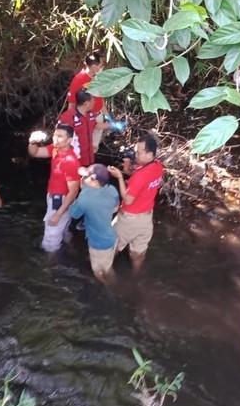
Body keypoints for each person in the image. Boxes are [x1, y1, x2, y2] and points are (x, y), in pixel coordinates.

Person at [107, 133, 164, 271]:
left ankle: (104, 274)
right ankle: (137, 278)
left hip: (128, 220)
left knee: (109, 247)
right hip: (146, 219)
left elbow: (128, 199)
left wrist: (120, 177)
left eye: (139, 152)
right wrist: (127, 164)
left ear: (150, 154)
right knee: (138, 254)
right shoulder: (158, 166)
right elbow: (139, 174)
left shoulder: (139, 176)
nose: (136, 155)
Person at [28, 123, 81, 252]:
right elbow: (34, 153)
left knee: (50, 241)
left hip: (60, 201)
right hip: (55, 197)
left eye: (60, 136)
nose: (55, 139)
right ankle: (71, 247)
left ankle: (50, 264)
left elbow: (73, 192)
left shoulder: (70, 161)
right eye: (55, 135)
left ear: (69, 140)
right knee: (63, 229)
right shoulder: (55, 149)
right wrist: (32, 141)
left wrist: (57, 214)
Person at [69, 164, 121, 278]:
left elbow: (74, 214)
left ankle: (113, 289)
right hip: (112, 237)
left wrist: (74, 197)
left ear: (95, 182)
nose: (83, 178)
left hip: (99, 244)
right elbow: (116, 208)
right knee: (107, 264)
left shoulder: (85, 198)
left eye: (86, 176)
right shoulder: (111, 189)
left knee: (100, 272)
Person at [65, 52, 125, 149]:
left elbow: (100, 101)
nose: (102, 68)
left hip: (98, 116)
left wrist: (108, 117)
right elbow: (71, 104)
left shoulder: (98, 79)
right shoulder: (78, 80)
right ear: (94, 67)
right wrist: (68, 123)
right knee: (81, 148)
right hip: (84, 119)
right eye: (101, 65)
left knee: (94, 147)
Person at [59, 89, 111, 167]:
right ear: (86, 103)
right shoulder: (67, 117)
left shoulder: (90, 114)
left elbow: (95, 126)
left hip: (89, 159)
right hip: (74, 161)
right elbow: (60, 139)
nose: (94, 102)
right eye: (93, 100)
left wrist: (113, 125)